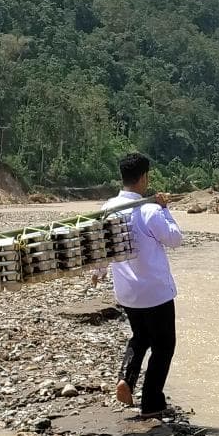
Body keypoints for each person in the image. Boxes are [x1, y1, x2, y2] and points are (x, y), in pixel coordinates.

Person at [92, 153, 183, 417]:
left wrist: (99, 271)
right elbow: (175, 239)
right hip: (155, 292)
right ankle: (152, 403)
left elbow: (103, 246)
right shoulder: (150, 210)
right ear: (144, 178)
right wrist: (165, 209)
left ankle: (127, 379)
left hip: (127, 292)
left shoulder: (109, 208)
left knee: (141, 337)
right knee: (164, 346)